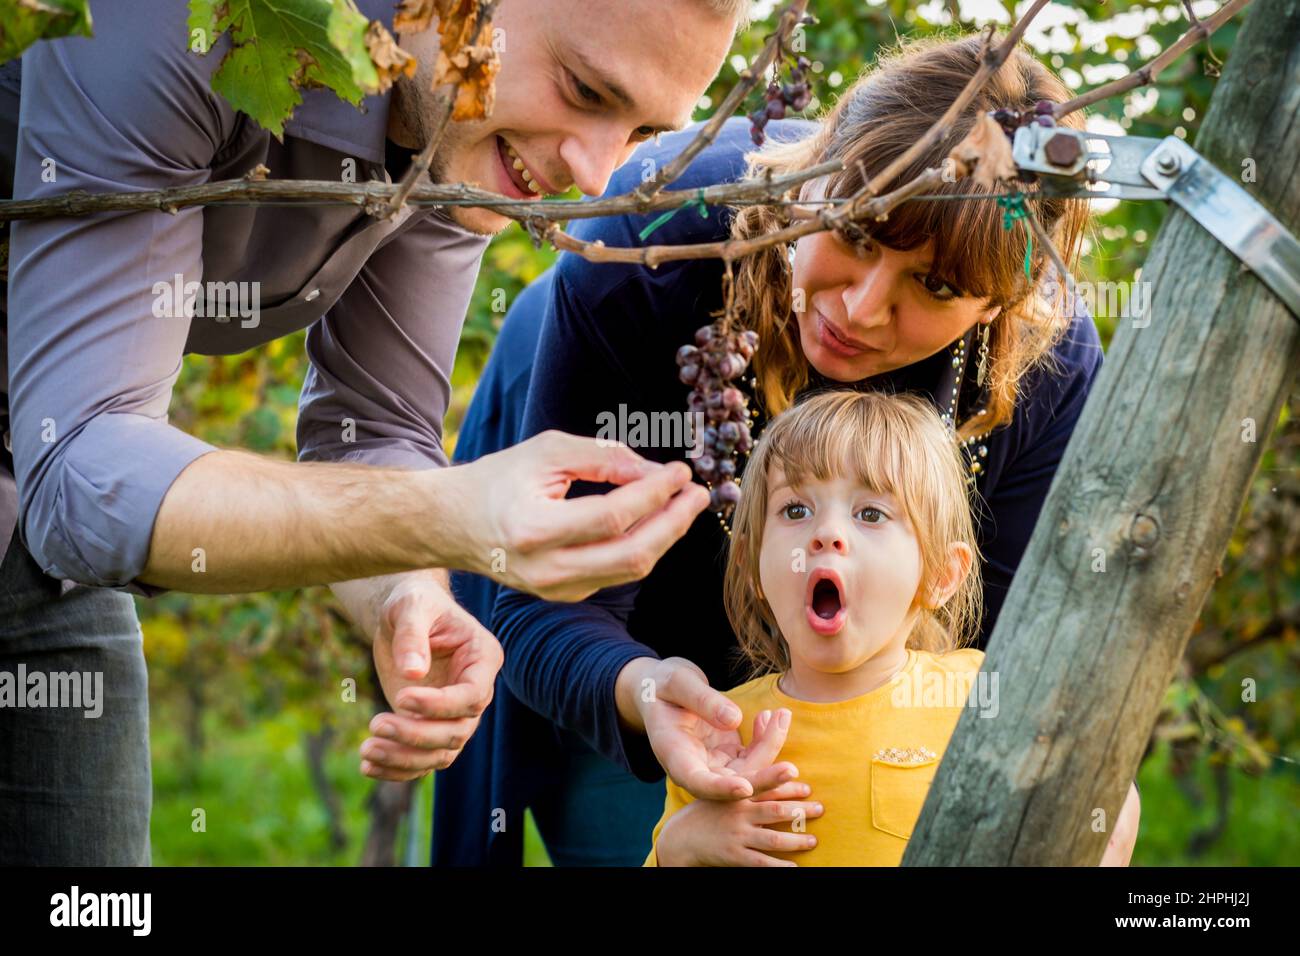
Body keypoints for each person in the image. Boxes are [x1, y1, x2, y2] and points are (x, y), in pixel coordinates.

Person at [0, 0, 751, 864]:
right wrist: (449, 515)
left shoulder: (453, 125)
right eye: (583, 89)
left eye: (643, 129)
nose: (593, 175)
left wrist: (408, 594)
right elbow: (83, 464)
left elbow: (375, 427)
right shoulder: (191, 18)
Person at [432, 33, 1121, 866]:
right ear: (817, 171)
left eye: (935, 287)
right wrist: (648, 694)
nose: (862, 309)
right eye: (856, 233)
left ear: (993, 310)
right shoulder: (642, 251)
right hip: (631, 628)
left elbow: (1012, 658)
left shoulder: (1049, 368)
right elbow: (549, 607)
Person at [643, 389, 1136, 866]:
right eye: (797, 510)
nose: (828, 534)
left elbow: (1107, 794)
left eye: (871, 514)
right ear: (753, 565)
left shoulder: (979, 695)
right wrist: (681, 846)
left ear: (940, 575)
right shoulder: (720, 734)